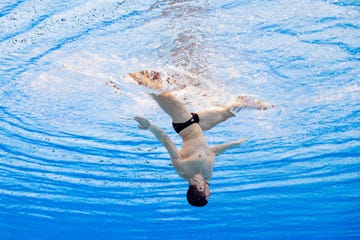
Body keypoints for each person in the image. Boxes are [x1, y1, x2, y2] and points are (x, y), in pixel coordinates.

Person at [129, 70, 273, 207]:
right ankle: (269, 105)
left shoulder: (183, 169)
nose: (210, 193)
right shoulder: (208, 175)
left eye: (208, 195)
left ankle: (127, 76)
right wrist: (233, 145)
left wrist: (150, 127)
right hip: (199, 124)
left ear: (200, 190)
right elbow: (212, 152)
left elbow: (166, 140)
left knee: (160, 93)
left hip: (184, 124)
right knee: (229, 112)